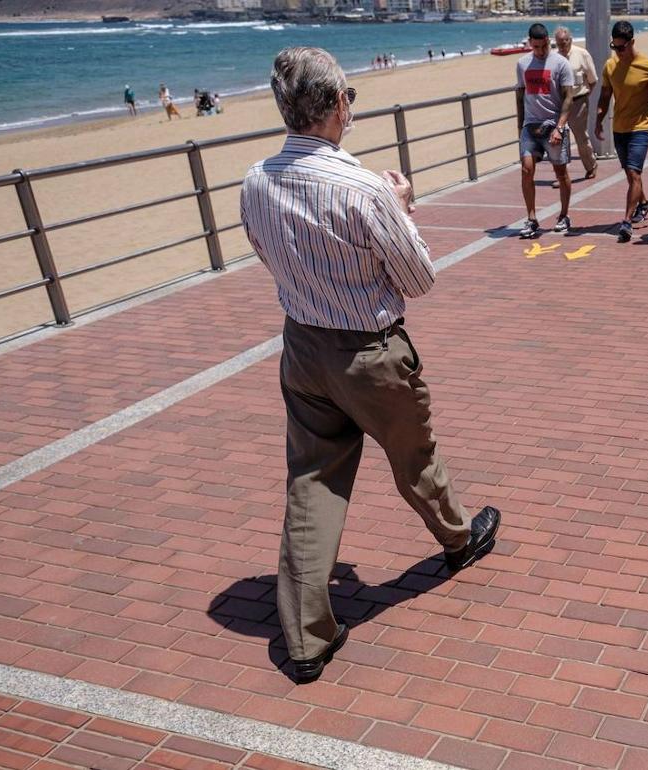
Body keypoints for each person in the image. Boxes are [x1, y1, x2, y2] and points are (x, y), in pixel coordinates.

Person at [239, 47, 501, 685]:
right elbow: (418, 279)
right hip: (368, 350)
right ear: (337, 107)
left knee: (312, 479)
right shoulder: (363, 186)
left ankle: (306, 636)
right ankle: (459, 538)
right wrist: (404, 205)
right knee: (414, 454)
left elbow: (263, 249)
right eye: (346, 96)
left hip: (303, 344)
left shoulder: (256, 179)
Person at [594, 21, 648, 243]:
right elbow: (605, 97)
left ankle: (626, 222)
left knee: (634, 173)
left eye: (621, 47)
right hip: (619, 128)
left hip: (641, 127)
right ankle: (644, 204)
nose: (618, 52)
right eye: (614, 47)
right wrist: (598, 120)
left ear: (632, 43)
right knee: (631, 175)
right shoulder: (610, 66)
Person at [515, 23, 575, 238]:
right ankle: (531, 218)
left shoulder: (561, 63)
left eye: (544, 46)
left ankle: (564, 215)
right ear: (530, 43)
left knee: (560, 173)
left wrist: (560, 127)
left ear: (549, 41)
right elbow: (520, 96)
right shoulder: (522, 64)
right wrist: (519, 126)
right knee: (526, 170)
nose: (541, 51)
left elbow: (569, 97)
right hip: (530, 127)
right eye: (536, 47)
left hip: (554, 126)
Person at [552, 26, 598, 188]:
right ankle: (561, 176)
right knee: (558, 139)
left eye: (564, 42)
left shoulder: (581, 54)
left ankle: (591, 166)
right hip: (560, 102)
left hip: (579, 101)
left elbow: (592, 80)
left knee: (580, 137)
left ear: (570, 40)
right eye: (559, 43)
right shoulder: (554, 58)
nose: (562, 46)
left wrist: (584, 97)